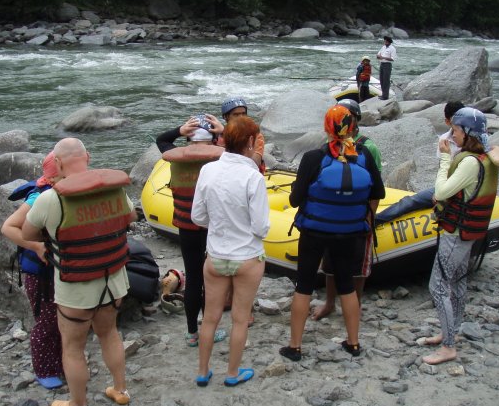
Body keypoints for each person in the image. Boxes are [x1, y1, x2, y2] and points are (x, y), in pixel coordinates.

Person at [22, 138, 137, 406]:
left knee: (73, 347)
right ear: (88, 156)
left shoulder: (51, 198)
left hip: (76, 287)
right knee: (110, 334)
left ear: (57, 163)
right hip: (113, 280)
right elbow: (131, 217)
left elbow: (27, 233)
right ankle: (120, 390)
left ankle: (77, 405)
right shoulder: (113, 190)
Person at [280, 104, 385, 361]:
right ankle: (353, 343)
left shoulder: (313, 158)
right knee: (347, 285)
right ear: (352, 127)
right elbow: (378, 193)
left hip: (314, 232)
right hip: (349, 232)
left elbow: (295, 200)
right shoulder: (363, 155)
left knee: (304, 285)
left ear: (327, 128)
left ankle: (295, 347)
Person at [191, 116, 270, 387]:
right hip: (247, 257)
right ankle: (232, 374)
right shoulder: (253, 177)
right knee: (240, 319)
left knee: (210, 318)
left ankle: (203, 372)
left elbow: (198, 217)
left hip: (215, 256)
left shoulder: (207, 171)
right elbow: (261, 227)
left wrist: (220, 224)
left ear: (224, 140)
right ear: (250, 142)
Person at [423, 107, 499, 365]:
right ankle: (452, 332)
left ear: (468, 133)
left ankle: (448, 346)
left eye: (456, 130)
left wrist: (445, 159)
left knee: (437, 286)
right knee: (457, 282)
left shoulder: (469, 162)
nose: (452, 135)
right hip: (468, 233)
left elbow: (441, 191)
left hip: (456, 234)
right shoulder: (485, 158)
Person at [156, 114, 227, 346]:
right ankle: (209, 331)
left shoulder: (176, 156)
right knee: (211, 280)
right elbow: (243, 151)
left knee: (193, 278)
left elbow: (161, 140)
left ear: (189, 138)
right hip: (212, 228)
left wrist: (180, 130)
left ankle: (191, 333)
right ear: (213, 139)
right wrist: (223, 131)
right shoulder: (222, 157)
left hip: (186, 227)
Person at [311, 99, 382, 321]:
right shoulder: (328, 146)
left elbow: (376, 188)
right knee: (330, 262)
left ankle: (355, 306)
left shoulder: (368, 149)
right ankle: (330, 303)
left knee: (358, 266)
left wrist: (369, 217)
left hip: (358, 215)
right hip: (332, 215)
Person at [1, 151, 63, 389]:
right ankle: (45, 369)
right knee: (46, 320)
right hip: (40, 272)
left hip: (60, 268)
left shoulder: (63, 191)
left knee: (63, 319)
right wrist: (36, 246)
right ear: (53, 177)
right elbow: (8, 227)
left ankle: (61, 362)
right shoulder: (38, 197)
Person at [375, 101, 465, 224]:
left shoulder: (473, 139)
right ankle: (374, 221)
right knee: (409, 202)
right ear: (448, 122)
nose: (459, 126)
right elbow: (444, 169)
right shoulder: (444, 140)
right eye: (456, 123)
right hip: (447, 185)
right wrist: (441, 191)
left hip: (463, 187)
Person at [376, 36, 396, 100]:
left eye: (386, 41)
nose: (385, 42)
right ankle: (383, 94)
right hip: (382, 64)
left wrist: (383, 57)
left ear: (389, 42)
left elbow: (392, 59)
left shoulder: (392, 49)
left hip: (387, 65)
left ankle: (385, 96)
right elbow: (378, 54)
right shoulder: (383, 47)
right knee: (381, 79)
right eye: (384, 41)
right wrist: (378, 56)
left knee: (386, 80)